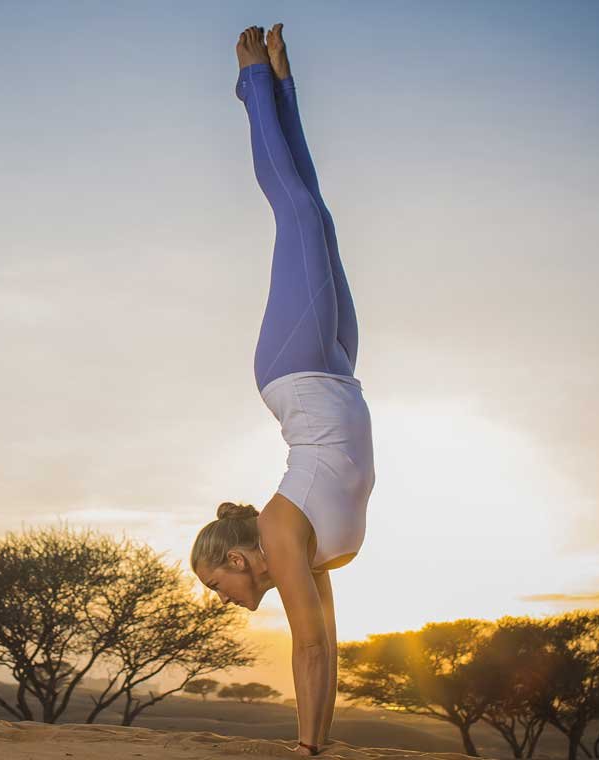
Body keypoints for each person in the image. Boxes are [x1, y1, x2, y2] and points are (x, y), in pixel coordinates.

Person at [190, 24, 378, 757]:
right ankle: (283, 81)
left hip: (295, 367)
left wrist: (300, 753)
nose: (224, 601)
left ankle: (252, 85)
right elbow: (325, 646)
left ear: (239, 561)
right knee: (320, 218)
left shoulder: (278, 530)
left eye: (217, 585)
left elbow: (303, 648)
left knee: (297, 214)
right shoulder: (304, 557)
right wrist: (318, 747)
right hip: (337, 368)